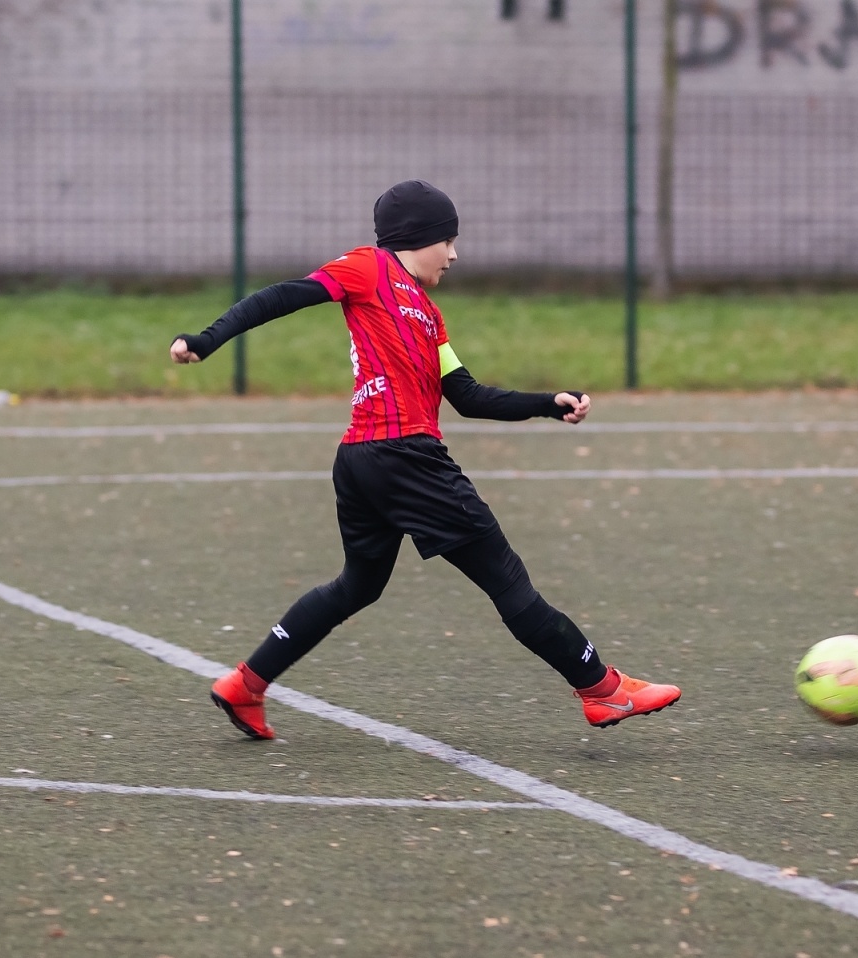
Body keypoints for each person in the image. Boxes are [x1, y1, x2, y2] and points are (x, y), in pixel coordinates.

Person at [169, 179, 681, 740]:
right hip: (403, 456)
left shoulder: (430, 317)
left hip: (364, 460)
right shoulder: (368, 268)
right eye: (449, 241)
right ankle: (602, 690)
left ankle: (246, 685)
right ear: (420, 237)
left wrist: (546, 404)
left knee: (357, 585)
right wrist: (208, 339)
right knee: (506, 578)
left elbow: (467, 395)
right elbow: (282, 295)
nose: (455, 255)